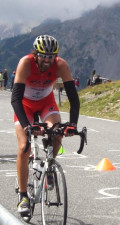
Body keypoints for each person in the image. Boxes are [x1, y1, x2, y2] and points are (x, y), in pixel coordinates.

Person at [11, 35, 80, 216]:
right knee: (24, 147)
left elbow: (73, 98)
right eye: (43, 56)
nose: (47, 60)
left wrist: (72, 124)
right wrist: (27, 126)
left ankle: (47, 166)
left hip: (46, 103)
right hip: (24, 104)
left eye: (51, 57)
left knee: (57, 133)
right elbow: (15, 98)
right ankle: (24, 196)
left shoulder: (61, 65)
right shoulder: (25, 63)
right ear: (36, 53)